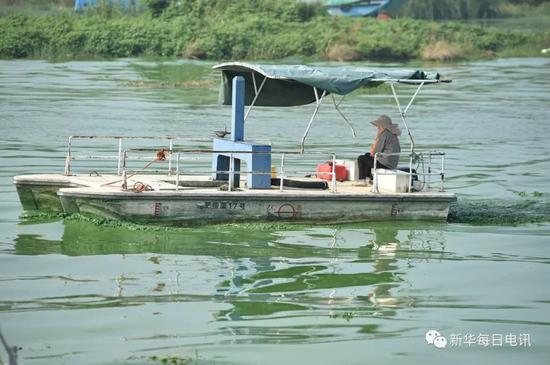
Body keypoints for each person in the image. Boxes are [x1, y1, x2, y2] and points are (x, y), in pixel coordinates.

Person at [356, 115, 401, 186]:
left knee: (361, 158)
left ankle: (362, 180)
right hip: (392, 163)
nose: (377, 127)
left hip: (385, 164)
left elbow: (373, 152)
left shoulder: (385, 134)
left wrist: (377, 138)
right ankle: (369, 179)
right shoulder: (393, 135)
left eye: (378, 126)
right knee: (367, 156)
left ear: (382, 126)